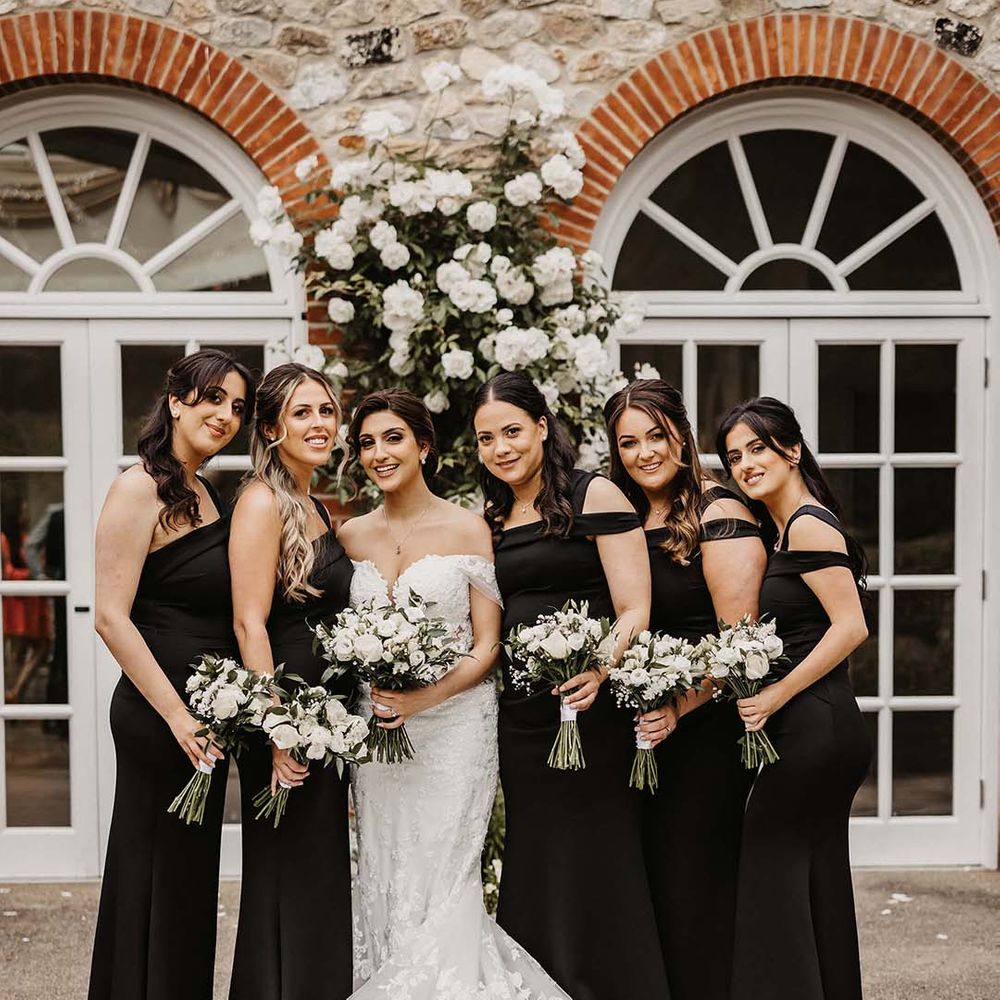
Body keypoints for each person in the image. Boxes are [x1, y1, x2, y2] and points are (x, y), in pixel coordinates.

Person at [339, 387, 569, 999]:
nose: (380, 453)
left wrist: (423, 697)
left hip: (455, 732)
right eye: (367, 443)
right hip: (379, 732)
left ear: (424, 446)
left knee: (444, 877)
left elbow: (488, 646)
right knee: (386, 868)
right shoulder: (351, 535)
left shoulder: (468, 526)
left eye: (394, 439)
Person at [473, 371, 669, 1000]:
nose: (501, 448)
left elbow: (635, 607)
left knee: (601, 856)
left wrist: (600, 667)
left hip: (595, 711)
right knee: (537, 857)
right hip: (524, 719)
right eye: (485, 439)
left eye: (511, 431)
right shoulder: (491, 517)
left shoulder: (597, 495)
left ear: (540, 427)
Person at [89, 349, 254, 1000]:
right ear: (178, 400)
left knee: (186, 880)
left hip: (203, 719)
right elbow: (109, 616)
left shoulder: (207, 492)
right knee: (150, 874)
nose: (226, 416)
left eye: (238, 407)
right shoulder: (140, 487)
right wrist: (178, 715)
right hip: (162, 717)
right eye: (214, 399)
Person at [604, 379, 765, 1000]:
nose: (644, 452)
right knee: (647, 888)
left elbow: (740, 642)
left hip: (702, 732)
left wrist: (678, 706)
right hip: (636, 730)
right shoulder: (624, 513)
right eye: (628, 443)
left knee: (692, 885)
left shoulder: (720, 513)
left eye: (656, 436)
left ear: (681, 434)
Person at [718, 396, 871, 1000]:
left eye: (758, 448)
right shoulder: (787, 527)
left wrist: (776, 693)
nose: (746, 465)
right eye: (734, 456)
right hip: (822, 726)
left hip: (813, 725)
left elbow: (851, 626)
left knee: (772, 878)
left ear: (792, 449)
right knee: (816, 879)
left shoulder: (807, 523)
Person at [228, 363, 355, 1000]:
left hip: (327, 711)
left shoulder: (316, 503)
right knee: (288, 869)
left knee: (317, 867)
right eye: (302, 413)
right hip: (286, 711)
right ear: (273, 428)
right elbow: (250, 622)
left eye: (326, 411)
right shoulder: (260, 501)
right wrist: (277, 729)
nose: (319, 423)